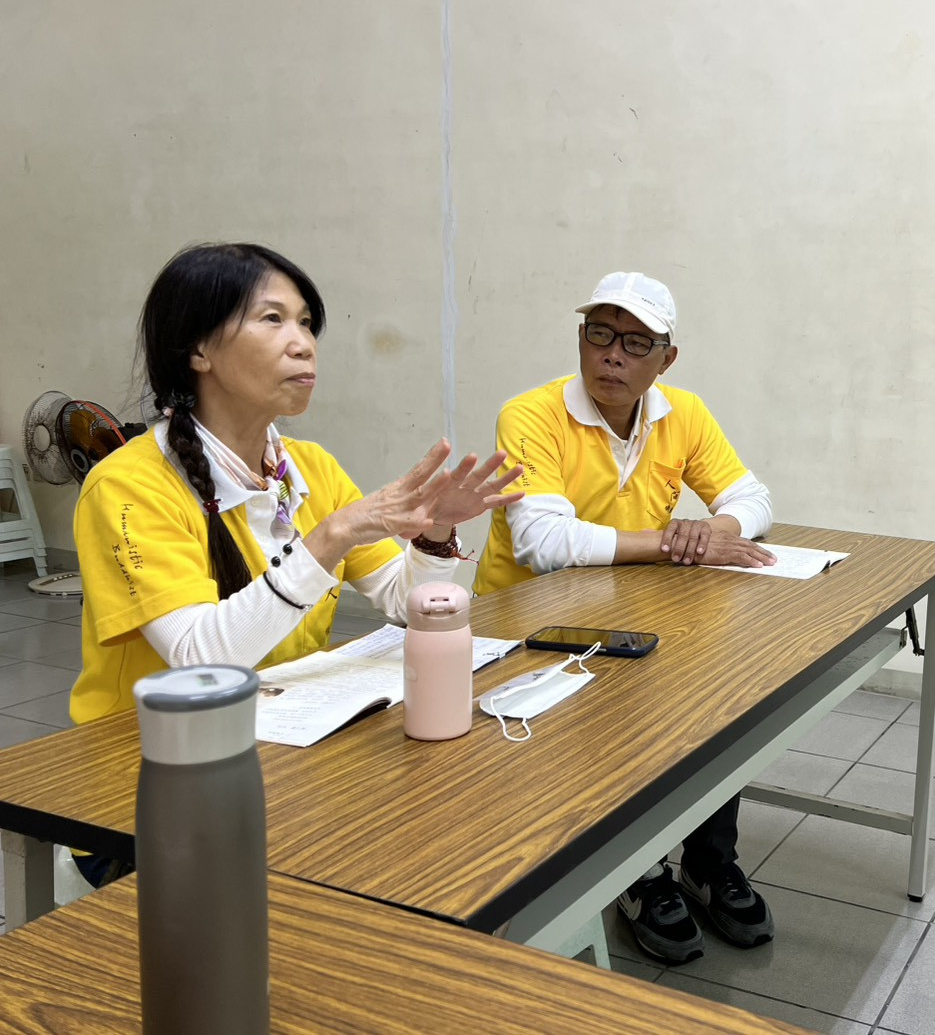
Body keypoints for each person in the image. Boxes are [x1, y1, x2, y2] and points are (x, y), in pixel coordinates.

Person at [70, 242, 523, 885]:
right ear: (198, 351)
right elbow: (201, 659)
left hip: (284, 750)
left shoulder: (309, 467)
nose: (304, 344)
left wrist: (436, 532)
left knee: (455, 836)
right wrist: (332, 536)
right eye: (272, 319)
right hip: (145, 786)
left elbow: (404, 602)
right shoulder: (128, 486)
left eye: (307, 323)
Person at [472, 271, 776, 964]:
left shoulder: (682, 413)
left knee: (717, 698)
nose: (613, 355)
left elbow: (752, 497)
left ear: (665, 359)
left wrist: (713, 527)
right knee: (612, 737)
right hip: (526, 628)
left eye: (636, 343)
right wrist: (673, 542)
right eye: (600, 334)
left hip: (633, 612)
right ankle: (639, 874)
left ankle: (709, 862)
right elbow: (543, 543)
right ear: (581, 340)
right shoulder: (530, 415)